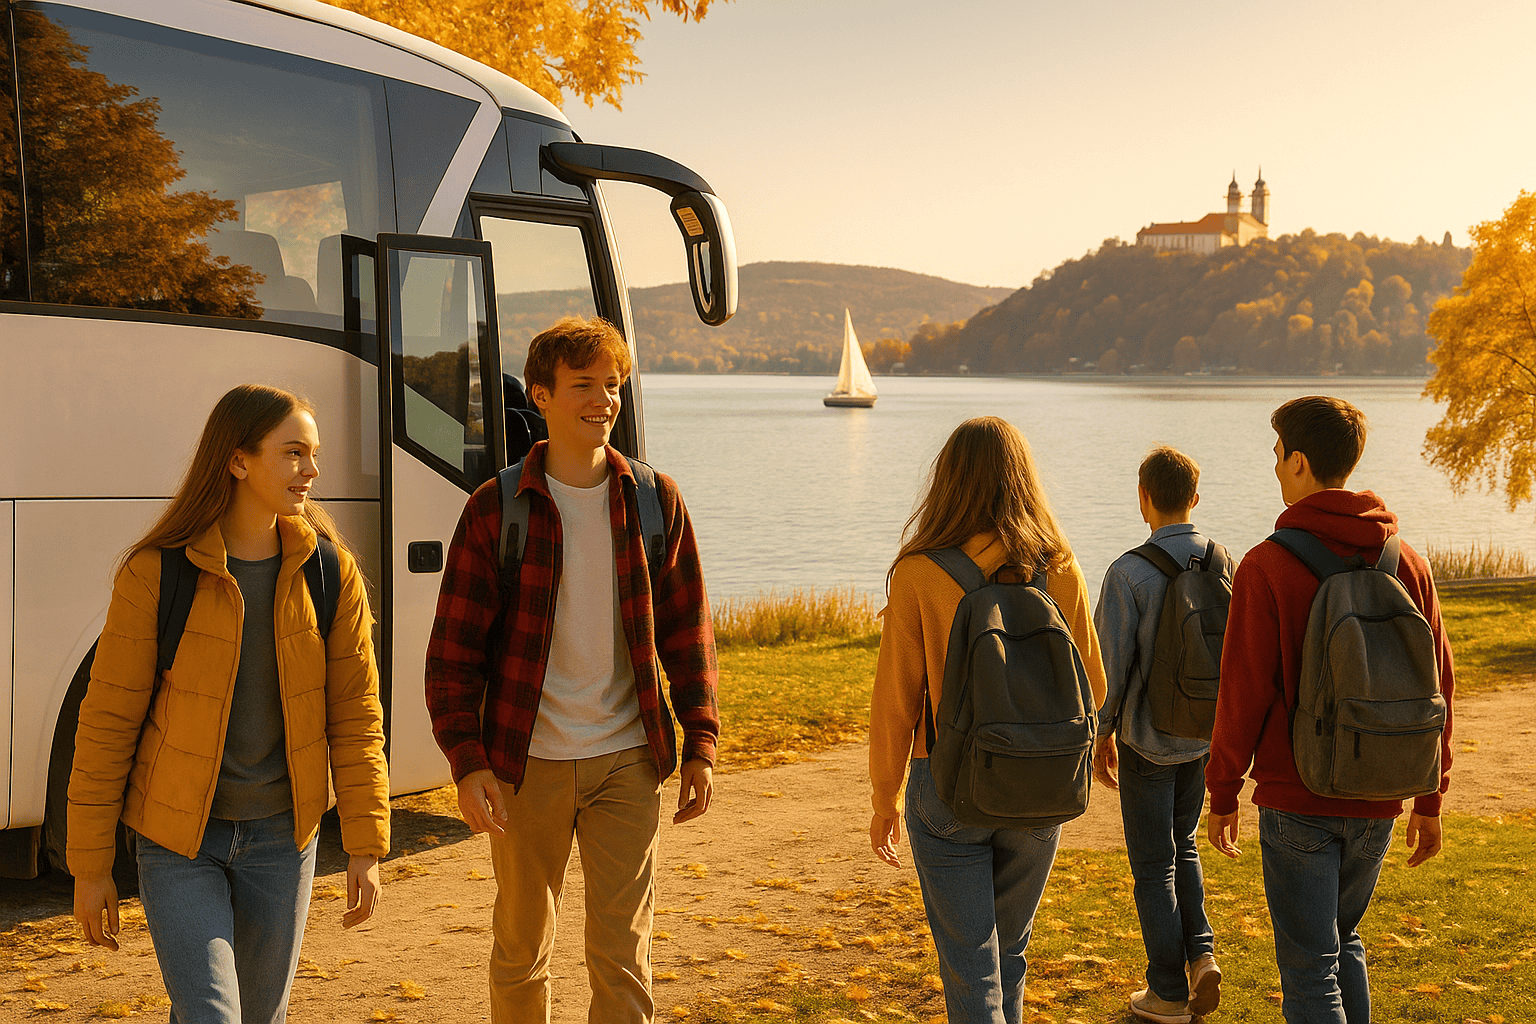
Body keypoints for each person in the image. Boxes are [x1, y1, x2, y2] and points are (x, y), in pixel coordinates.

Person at [425, 316, 718, 1024]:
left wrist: (702, 741)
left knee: (624, 954)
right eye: (585, 385)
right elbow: (452, 656)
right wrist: (469, 764)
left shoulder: (655, 500)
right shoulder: (497, 508)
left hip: (626, 761)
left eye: (612, 385)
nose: (604, 400)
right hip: (527, 767)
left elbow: (689, 632)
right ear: (542, 395)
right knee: (522, 949)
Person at [69, 384, 390, 1024]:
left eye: (314, 453)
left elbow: (356, 717)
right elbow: (106, 723)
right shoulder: (155, 573)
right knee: (213, 1015)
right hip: (178, 844)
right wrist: (90, 866)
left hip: (282, 840)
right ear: (238, 460)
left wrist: (365, 845)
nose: (312, 470)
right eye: (294, 452)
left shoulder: (331, 574)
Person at [1206, 396, 1455, 1024]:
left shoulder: (1268, 564)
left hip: (1298, 797)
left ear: (1298, 461)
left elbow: (1242, 689)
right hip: (1382, 793)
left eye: (1276, 455)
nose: (1273, 469)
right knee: (1345, 944)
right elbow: (1440, 686)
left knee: (1310, 966)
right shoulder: (1409, 563)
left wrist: (1223, 790)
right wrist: (1430, 797)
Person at [867, 415, 1107, 1024]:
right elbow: (1095, 689)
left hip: (945, 785)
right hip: (1040, 784)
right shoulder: (1060, 567)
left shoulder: (920, 573)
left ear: (948, 482)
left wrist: (883, 798)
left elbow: (896, 702)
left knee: (970, 966)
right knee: (1011, 953)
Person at [1093, 446, 1223, 1023]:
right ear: (1195, 497)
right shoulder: (1223, 559)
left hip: (1146, 741)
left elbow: (1109, 667)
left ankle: (1167, 991)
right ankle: (1200, 954)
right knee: (1185, 843)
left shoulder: (1128, 571)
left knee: (1153, 865)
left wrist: (1100, 734)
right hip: (1201, 734)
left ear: (1143, 498)